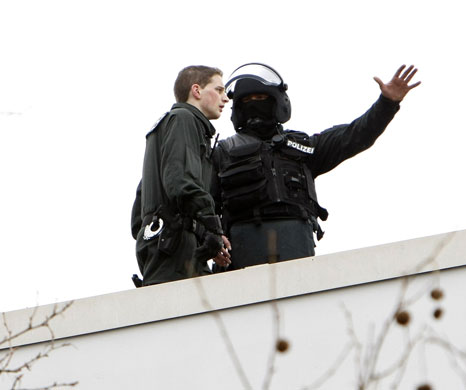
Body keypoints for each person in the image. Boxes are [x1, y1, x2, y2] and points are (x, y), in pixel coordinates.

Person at [211, 62, 420, 271]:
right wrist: (212, 238)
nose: (254, 105)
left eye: (261, 98)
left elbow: (355, 135)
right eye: (247, 100)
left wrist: (387, 103)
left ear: (277, 102)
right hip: (241, 252)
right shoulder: (223, 153)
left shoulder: (303, 148)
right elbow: (201, 202)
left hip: (295, 247)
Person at [131, 65, 232, 287]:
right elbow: (181, 183)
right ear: (197, 91)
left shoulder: (166, 127)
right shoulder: (184, 119)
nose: (226, 98)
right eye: (219, 89)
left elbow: (138, 216)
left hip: (164, 246)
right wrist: (213, 227)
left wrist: (203, 235)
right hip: (174, 248)